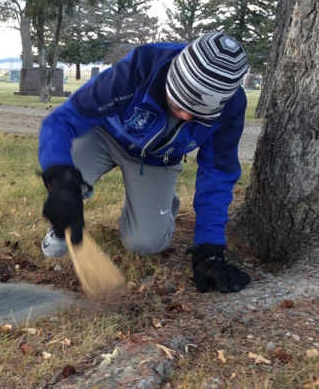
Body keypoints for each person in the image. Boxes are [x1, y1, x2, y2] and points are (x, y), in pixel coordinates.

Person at [38, 32, 251, 294]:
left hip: (158, 160)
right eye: (177, 102)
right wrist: (59, 180)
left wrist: (210, 248)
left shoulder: (231, 107)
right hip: (104, 136)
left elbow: (218, 173)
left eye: (195, 114)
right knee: (66, 182)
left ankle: (155, 206)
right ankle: (61, 226)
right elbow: (60, 121)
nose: (183, 115)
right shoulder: (139, 68)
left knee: (146, 243)